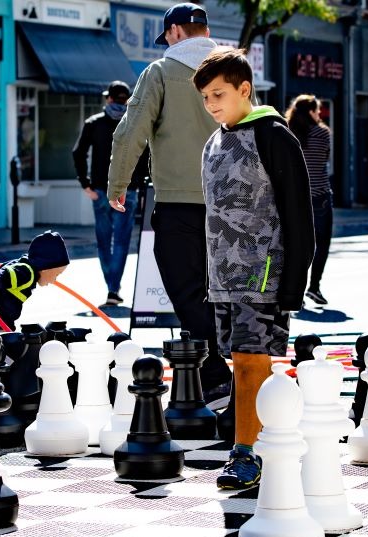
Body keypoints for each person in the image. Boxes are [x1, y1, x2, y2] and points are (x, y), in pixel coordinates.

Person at [193, 49, 314, 490]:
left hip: (263, 274)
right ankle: (269, 443)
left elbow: (299, 213)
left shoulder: (274, 136)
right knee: (242, 364)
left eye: (219, 94)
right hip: (222, 277)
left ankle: (245, 454)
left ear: (245, 89)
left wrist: (294, 284)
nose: (211, 104)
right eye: (206, 96)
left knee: (248, 363)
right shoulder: (213, 142)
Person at [104, 2, 233, 402]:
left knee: (184, 287)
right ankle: (216, 374)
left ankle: (214, 371)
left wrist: (117, 183)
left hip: (179, 201)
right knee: (219, 290)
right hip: (231, 203)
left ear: (175, 31)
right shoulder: (232, 74)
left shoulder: (160, 72)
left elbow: (131, 131)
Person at [72, 80, 149, 307]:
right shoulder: (134, 124)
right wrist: (141, 185)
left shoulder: (94, 123)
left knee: (103, 240)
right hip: (129, 190)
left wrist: (85, 183)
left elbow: (78, 153)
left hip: (100, 190)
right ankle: (113, 289)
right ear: (127, 100)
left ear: (108, 99)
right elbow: (145, 157)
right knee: (122, 241)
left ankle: (111, 287)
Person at [284, 95, 333, 306]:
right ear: (311, 112)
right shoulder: (322, 133)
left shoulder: (287, 133)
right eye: (317, 111)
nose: (319, 114)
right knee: (321, 245)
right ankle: (314, 287)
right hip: (320, 196)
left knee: (297, 246)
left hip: (295, 199)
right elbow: (325, 158)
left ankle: (296, 291)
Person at [0, 231, 70, 331]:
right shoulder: (27, 273)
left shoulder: (27, 264)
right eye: (56, 274)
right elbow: (4, 274)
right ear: (45, 268)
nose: (55, 280)